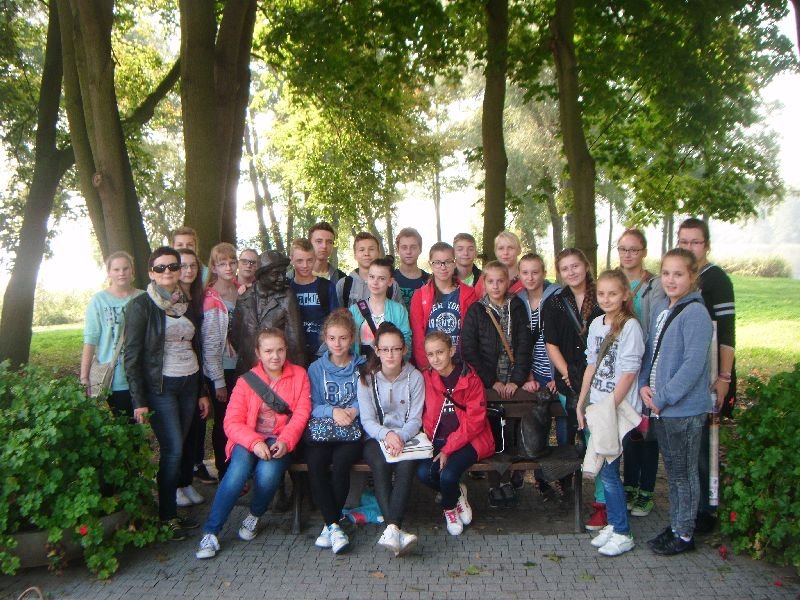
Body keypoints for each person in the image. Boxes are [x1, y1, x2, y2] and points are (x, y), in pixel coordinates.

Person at [195, 328, 311, 559]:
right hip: (249, 438)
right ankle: (211, 531)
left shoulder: (299, 375)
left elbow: (301, 414)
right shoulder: (246, 381)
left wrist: (286, 441)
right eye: (268, 351)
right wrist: (255, 442)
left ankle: (255, 514)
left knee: (268, 474)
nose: (275, 356)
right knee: (236, 474)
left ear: (286, 350)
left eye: (280, 350)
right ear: (258, 353)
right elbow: (231, 422)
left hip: (280, 438)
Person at [124, 246, 211, 540]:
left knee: (182, 446)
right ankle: (166, 517)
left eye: (173, 266)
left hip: (189, 382)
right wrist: (139, 401)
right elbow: (132, 356)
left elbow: (196, 346)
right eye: (160, 268)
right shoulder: (141, 306)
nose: (168, 272)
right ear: (151, 272)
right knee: (173, 449)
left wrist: (201, 390)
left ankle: (171, 511)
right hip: (161, 387)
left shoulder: (185, 302)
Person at [639, 249, 712, 556]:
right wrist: (644, 384)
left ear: (692, 277)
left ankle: (684, 533)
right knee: (674, 472)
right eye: (666, 273)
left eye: (678, 274)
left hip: (683, 410)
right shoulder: (662, 308)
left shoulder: (695, 314)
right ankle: (677, 524)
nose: (670, 280)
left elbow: (692, 366)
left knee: (684, 474)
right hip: (662, 409)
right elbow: (651, 351)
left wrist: (663, 397)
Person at [576, 269, 645, 557]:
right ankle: (615, 523)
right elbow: (591, 366)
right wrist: (582, 403)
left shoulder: (630, 327)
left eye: (613, 293)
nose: (606, 299)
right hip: (598, 406)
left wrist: (608, 408)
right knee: (606, 471)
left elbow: (629, 373)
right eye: (602, 294)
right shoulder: (596, 325)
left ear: (625, 295)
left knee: (610, 471)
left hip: (618, 409)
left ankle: (623, 531)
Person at [677, 217, 736, 534]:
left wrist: (724, 377)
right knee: (689, 445)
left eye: (695, 242)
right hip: (687, 376)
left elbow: (726, 332)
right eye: (683, 241)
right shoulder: (680, 278)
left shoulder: (716, 280)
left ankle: (707, 510)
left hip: (712, 375)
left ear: (706, 245)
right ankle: (692, 505)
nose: (689, 247)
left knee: (704, 447)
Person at [461, 261, 533, 508]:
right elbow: (469, 349)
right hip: (488, 383)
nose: (495, 286)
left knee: (512, 430)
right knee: (491, 432)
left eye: (500, 281)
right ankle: (494, 483)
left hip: (513, 381)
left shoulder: (517, 307)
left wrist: (516, 380)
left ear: (508, 282)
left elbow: (524, 345)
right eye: (490, 281)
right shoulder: (476, 310)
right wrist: (491, 382)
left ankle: (510, 479)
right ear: (483, 283)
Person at [542, 247, 605, 528]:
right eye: (565, 268)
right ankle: (581, 494)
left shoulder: (602, 297)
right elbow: (551, 343)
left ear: (586, 266)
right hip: (570, 384)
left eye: (575, 266)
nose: (571, 272)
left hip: (601, 383)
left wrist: (587, 378)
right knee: (582, 439)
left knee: (599, 441)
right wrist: (568, 374)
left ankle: (603, 502)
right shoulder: (555, 303)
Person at [416, 332, 494, 535]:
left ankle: (449, 509)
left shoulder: (469, 378)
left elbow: (475, 421)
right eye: (430, 354)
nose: (435, 359)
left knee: (448, 474)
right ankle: (457, 494)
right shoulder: (426, 378)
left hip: (470, 440)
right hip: (438, 439)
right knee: (424, 473)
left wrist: (448, 449)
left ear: (451, 351)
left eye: (440, 352)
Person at [357, 322, 424, 556]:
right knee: (380, 464)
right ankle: (395, 528)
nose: (390, 355)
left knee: (406, 465)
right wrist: (387, 435)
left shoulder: (415, 377)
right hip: (376, 437)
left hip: (407, 437)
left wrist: (400, 436)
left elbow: (415, 419)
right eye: (385, 349)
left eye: (395, 349)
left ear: (404, 349)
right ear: (376, 350)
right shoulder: (366, 378)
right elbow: (367, 420)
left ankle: (391, 529)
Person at [306, 309, 366, 555]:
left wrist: (353, 410)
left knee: (341, 464)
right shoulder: (316, 368)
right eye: (332, 338)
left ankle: (330, 526)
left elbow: (367, 398)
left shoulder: (361, 367)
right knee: (316, 463)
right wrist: (332, 412)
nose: (337, 343)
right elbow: (312, 404)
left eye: (343, 338)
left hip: (351, 431)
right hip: (324, 428)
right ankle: (333, 525)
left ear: (351, 338)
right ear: (325, 339)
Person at [616, 229, 663, 518]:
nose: (628, 254)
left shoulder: (654, 285)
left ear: (643, 252)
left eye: (634, 249)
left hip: (647, 365)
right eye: (623, 249)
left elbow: (657, 327)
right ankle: (630, 485)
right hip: (623, 367)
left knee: (648, 432)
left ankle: (646, 490)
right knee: (629, 431)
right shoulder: (614, 280)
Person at [81, 251, 144, 416]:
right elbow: (90, 339)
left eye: (125, 268)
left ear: (132, 270)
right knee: (124, 424)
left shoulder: (143, 298)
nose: (121, 273)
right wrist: (84, 377)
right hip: (114, 378)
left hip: (141, 374)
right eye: (116, 269)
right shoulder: (98, 300)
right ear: (109, 272)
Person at [176, 249, 213, 503]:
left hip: (198, 369)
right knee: (178, 432)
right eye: (183, 266)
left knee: (194, 429)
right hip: (176, 373)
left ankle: (187, 480)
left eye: (193, 266)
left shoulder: (199, 296)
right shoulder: (172, 299)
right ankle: (175, 486)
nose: (189, 271)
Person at [231, 250, 306, 374]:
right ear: (262, 274)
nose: (282, 278)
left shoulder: (287, 297)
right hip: (248, 370)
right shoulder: (244, 298)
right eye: (275, 274)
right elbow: (236, 336)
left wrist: (297, 374)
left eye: (283, 273)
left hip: (278, 370)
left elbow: (295, 340)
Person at [202, 243, 240, 482]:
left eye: (232, 262)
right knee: (224, 421)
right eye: (222, 263)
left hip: (241, 366)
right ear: (214, 267)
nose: (228, 267)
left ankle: (240, 469)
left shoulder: (241, 290)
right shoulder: (210, 298)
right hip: (221, 368)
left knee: (242, 419)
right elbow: (209, 344)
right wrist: (217, 381)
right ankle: (224, 471)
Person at [409, 242, 477, 369]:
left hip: (461, 364)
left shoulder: (469, 294)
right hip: (432, 364)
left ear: (455, 263)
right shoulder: (420, 296)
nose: (443, 267)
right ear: (430, 264)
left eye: (448, 262)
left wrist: (469, 366)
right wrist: (425, 367)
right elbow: (418, 337)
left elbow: (473, 334)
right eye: (437, 262)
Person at [289, 238, 339, 365]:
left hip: (321, 353)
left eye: (309, 260)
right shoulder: (286, 288)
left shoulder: (326, 287)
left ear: (315, 259)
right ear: (291, 259)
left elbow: (336, 321)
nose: (305, 265)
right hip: (293, 352)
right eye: (300, 261)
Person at [349, 257, 412, 358]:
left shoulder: (399, 310)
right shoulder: (354, 310)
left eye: (381, 278)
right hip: (360, 364)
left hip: (390, 363)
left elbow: (406, 341)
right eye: (372, 277)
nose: (375, 282)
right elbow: (349, 342)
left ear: (390, 281)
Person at [336, 232, 402, 307]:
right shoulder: (344, 284)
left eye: (371, 249)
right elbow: (337, 312)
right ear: (355, 255)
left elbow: (399, 312)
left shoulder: (391, 285)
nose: (366, 253)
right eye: (361, 250)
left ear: (378, 253)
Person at [474, 231, 525, 297]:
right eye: (501, 248)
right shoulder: (485, 277)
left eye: (510, 248)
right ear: (495, 251)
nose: (505, 252)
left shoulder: (528, 278)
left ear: (519, 250)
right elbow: (475, 300)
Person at [393, 227, 430, 310]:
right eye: (404, 247)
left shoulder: (429, 281)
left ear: (420, 249)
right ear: (397, 250)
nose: (408, 252)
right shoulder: (390, 279)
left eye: (413, 247)